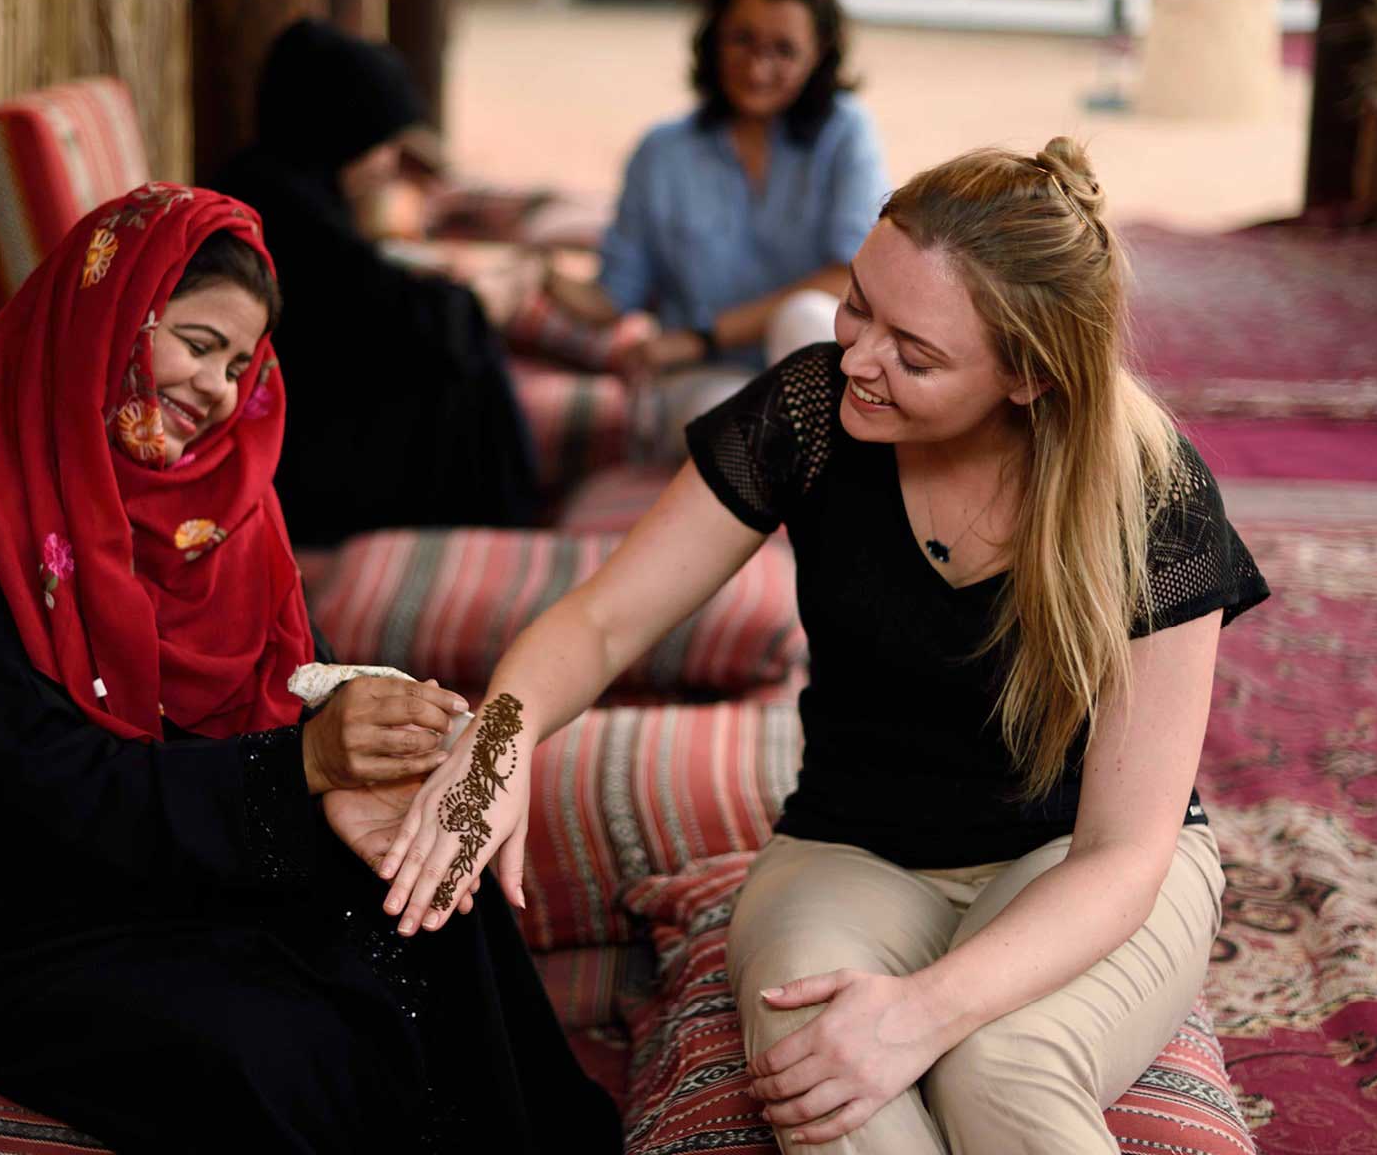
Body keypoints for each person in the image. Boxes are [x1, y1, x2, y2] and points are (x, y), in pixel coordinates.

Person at [377, 141, 1270, 1153]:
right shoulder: (808, 413)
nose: (856, 358)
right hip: (848, 854)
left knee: (1000, 1069)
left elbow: (1123, 851)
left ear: (1026, 377)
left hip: (1075, 859)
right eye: (856, 304)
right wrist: (494, 748)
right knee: (830, 1095)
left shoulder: (1153, 496)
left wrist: (925, 1010)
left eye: (914, 352)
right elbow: (601, 620)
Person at [0, 184, 619, 1155]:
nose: (218, 389)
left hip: (177, 852)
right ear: (103, 318)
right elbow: (28, 793)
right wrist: (297, 772)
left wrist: (363, 755)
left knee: (427, 869)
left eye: (241, 363)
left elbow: (283, 693)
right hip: (10, 917)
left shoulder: (209, 515)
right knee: (283, 1052)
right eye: (196, 343)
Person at [545, 0, 892, 454]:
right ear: (713, 39)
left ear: (818, 56)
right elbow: (614, 297)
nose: (757, 67)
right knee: (738, 422)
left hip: (812, 360)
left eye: (783, 50)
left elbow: (852, 276)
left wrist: (702, 335)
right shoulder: (660, 153)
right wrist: (537, 277)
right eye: (742, 40)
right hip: (699, 380)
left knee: (804, 317)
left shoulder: (846, 132)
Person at [213, 18, 541, 546]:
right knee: (458, 354)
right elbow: (389, 317)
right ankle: (499, 529)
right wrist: (480, 302)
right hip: (295, 463)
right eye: (380, 143)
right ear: (343, 129)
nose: (388, 163)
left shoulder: (277, 182)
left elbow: (361, 296)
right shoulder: (281, 206)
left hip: (306, 421)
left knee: (457, 335)